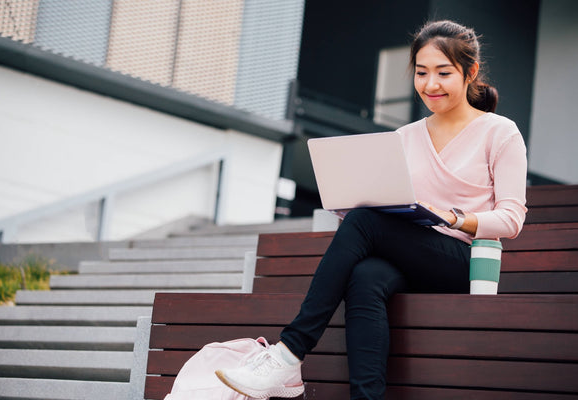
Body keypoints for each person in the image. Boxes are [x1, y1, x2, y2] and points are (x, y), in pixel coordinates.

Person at [215, 19, 528, 400]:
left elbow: (511, 219)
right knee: (364, 275)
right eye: (421, 72)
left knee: (366, 223)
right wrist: (351, 202)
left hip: (461, 258)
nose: (431, 85)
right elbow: (387, 203)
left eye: (443, 73)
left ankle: (289, 353)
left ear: (470, 72)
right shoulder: (404, 136)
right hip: (407, 251)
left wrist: (454, 217)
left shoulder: (500, 132)